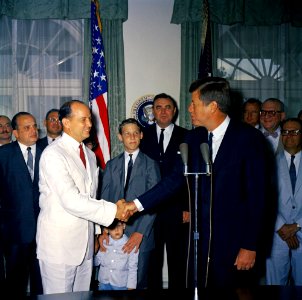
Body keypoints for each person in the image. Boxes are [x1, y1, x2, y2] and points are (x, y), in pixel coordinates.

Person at [122, 77, 272, 288]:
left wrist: (250, 245)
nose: (189, 108)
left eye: (194, 103)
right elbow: (173, 180)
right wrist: (135, 205)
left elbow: (259, 198)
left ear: (212, 106)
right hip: (198, 243)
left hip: (234, 244)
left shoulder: (249, 139)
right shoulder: (193, 139)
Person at [36, 100, 129, 295]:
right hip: (59, 246)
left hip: (85, 246)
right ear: (66, 123)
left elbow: (90, 196)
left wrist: (95, 233)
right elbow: (71, 200)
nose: (89, 124)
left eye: (90, 119)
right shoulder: (53, 154)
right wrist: (114, 210)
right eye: (83, 119)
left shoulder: (89, 154)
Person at [98, 118, 160, 289]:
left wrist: (140, 233)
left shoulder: (151, 164)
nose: (132, 137)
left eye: (135, 133)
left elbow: (154, 201)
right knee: (111, 279)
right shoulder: (111, 165)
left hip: (140, 232)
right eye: (127, 133)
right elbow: (104, 199)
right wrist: (104, 231)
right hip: (113, 233)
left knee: (136, 282)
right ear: (120, 137)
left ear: (141, 135)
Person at [139, 93, 189, 289]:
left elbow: (188, 176)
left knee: (178, 261)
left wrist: (187, 207)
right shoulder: (142, 135)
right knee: (152, 261)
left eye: (167, 107)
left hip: (177, 209)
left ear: (174, 111)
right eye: (158, 107)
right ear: (153, 111)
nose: (163, 111)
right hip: (150, 210)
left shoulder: (186, 136)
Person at [0, 112, 43, 297]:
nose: (33, 130)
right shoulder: (3, 154)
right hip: (15, 233)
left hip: (44, 233)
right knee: (15, 283)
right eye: (27, 127)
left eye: (34, 126)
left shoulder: (48, 153)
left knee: (41, 283)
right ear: (15, 133)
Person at [266, 118, 302, 285]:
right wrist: (281, 226)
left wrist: (296, 226)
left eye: (294, 132)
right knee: (275, 284)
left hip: (301, 229)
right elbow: (264, 198)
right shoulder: (268, 163)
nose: (289, 136)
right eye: (285, 132)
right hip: (276, 233)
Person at [94, 220, 138, 290]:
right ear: (107, 229)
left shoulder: (130, 245)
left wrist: (131, 287)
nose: (116, 229)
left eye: (118, 226)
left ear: (124, 226)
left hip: (120, 285)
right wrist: (99, 252)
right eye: (112, 227)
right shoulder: (104, 243)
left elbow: (133, 268)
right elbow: (95, 263)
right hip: (103, 283)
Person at [0, 115, 12, 290]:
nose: (4, 128)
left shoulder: (24, 151)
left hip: (14, 220)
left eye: (7, 125)